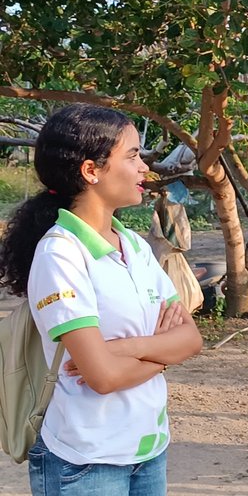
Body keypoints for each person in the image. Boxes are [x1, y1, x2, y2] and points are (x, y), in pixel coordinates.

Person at [0, 104, 203, 495]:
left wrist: (129, 348)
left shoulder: (135, 246)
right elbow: (103, 376)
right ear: (91, 171)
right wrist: (164, 356)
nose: (145, 167)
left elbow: (192, 339)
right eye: (132, 156)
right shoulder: (61, 254)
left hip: (148, 448)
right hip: (86, 459)